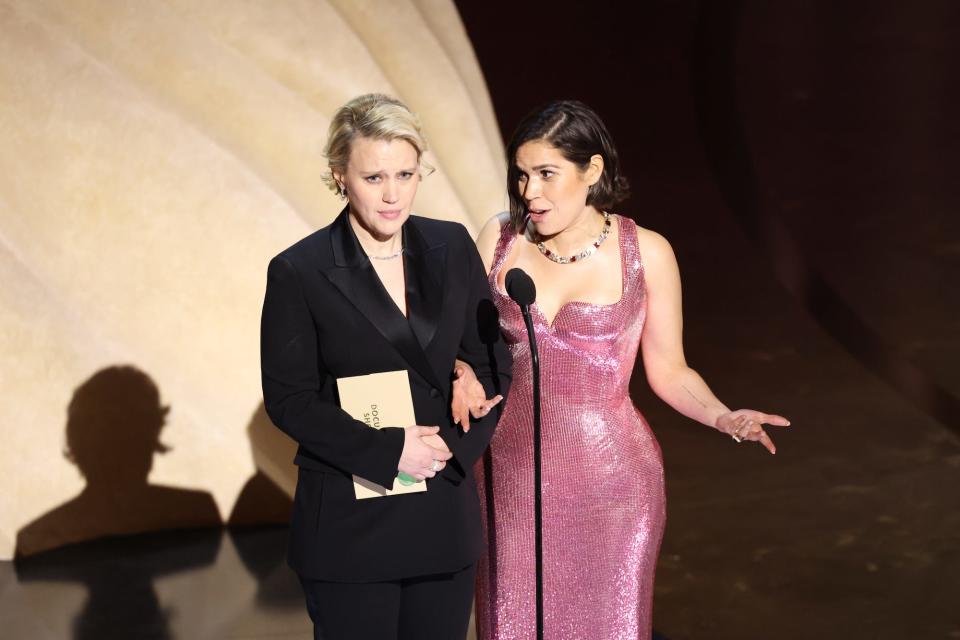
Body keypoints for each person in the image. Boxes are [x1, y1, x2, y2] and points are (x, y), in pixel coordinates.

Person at [451, 100, 790, 639]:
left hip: (611, 486)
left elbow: (670, 371)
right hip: (507, 477)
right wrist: (460, 373)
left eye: (546, 174)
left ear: (592, 171)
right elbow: (461, 343)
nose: (529, 192)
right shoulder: (498, 240)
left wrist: (724, 417)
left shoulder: (646, 253)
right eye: (521, 175)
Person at [259, 93, 511, 640]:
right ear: (339, 176)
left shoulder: (450, 245)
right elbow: (290, 400)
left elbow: (494, 360)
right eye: (374, 178)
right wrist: (393, 450)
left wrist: (452, 450)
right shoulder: (299, 270)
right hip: (352, 525)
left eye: (406, 173)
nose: (393, 194)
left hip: (442, 512)